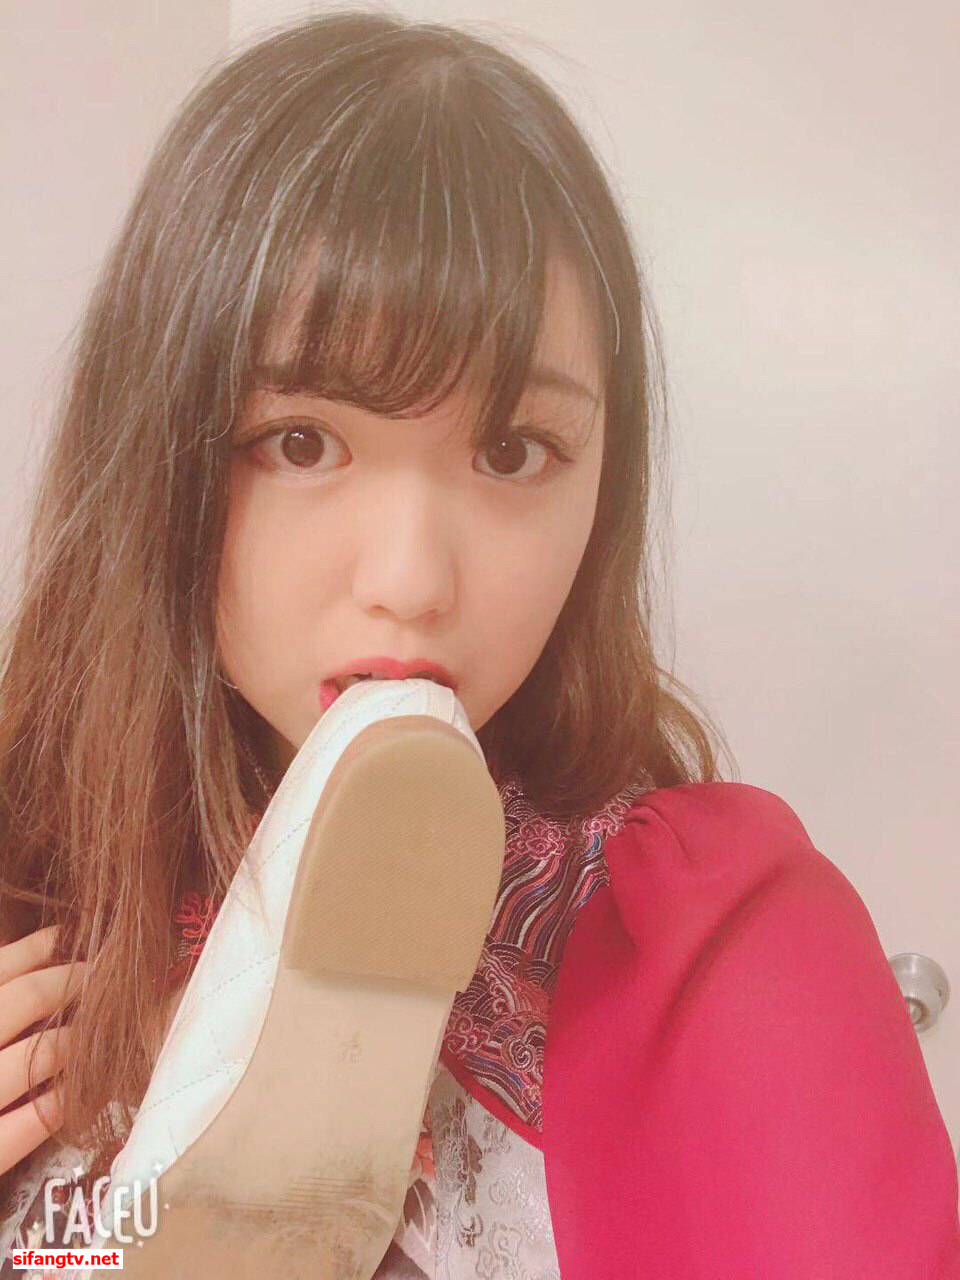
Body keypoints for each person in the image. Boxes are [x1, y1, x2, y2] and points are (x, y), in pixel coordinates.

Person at [0, 10, 957, 1278]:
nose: (410, 580)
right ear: (155, 448)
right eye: (301, 442)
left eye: (513, 451)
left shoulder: (726, 938)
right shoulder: (29, 874)